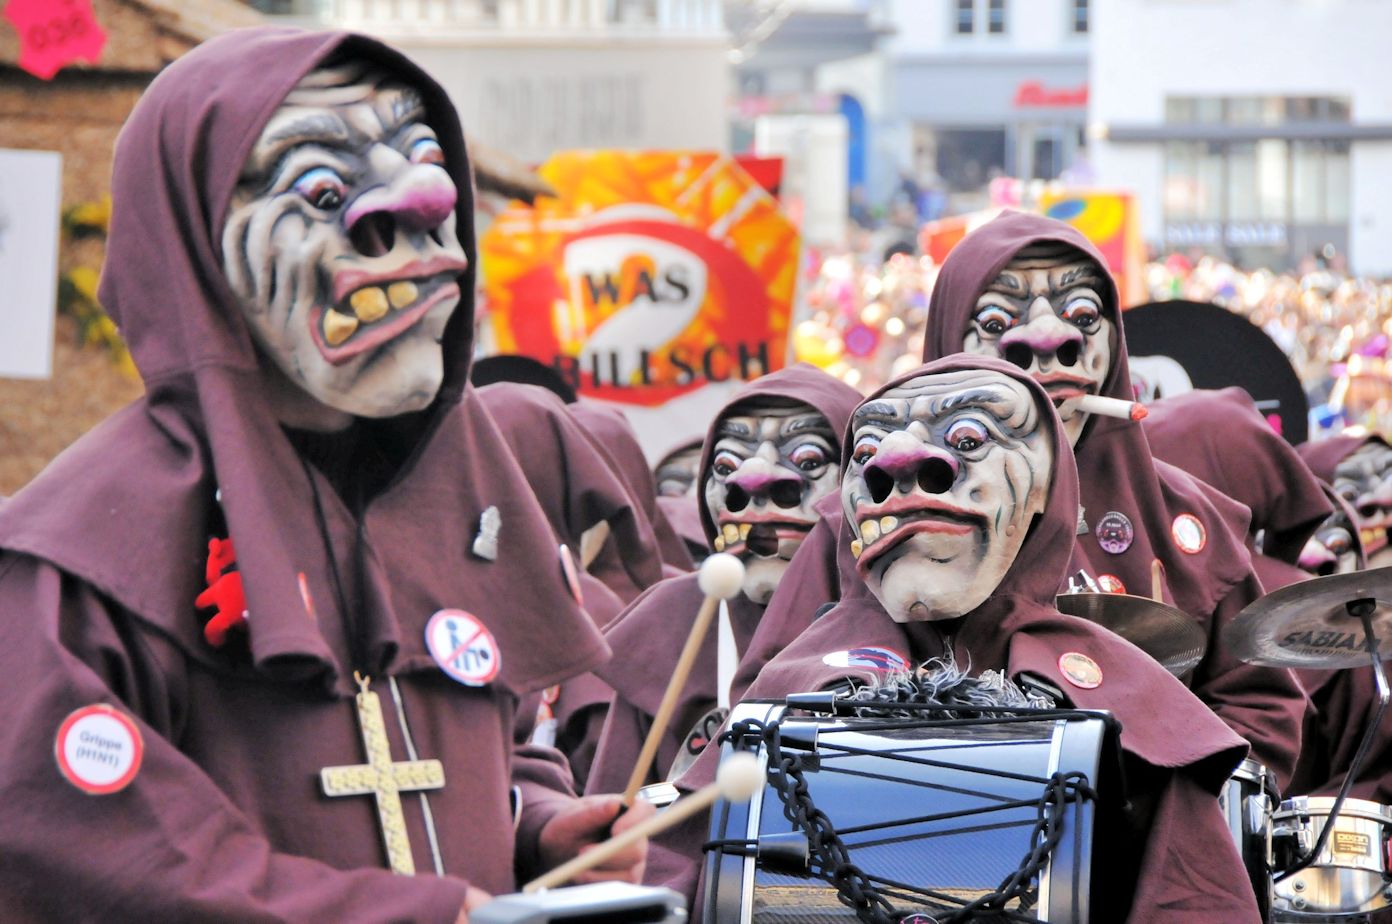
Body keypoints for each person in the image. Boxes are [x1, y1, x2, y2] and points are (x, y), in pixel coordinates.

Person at [0, 28, 651, 922]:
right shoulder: (75, 565)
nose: (422, 202)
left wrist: (537, 825)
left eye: (427, 162)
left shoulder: (457, 501)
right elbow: (107, 856)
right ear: (193, 243)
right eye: (321, 187)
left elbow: (500, 736)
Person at [648, 356, 1264, 922]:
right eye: (867, 451)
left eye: (968, 440)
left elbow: (1193, 899)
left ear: (1048, 492)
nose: (896, 463)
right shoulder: (792, 682)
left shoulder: (1126, 691)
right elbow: (676, 876)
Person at [737, 211, 1306, 788]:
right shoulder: (856, 520)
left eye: (1082, 316)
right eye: (995, 320)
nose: (1046, 342)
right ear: (947, 338)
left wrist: (1175, 791)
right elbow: (767, 702)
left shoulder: (1186, 516)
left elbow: (1258, 704)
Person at [585, 365, 861, 795]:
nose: (750, 482)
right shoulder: (674, 622)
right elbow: (615, 811)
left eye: (807, 460)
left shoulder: (898, 624)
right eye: (726, 464)